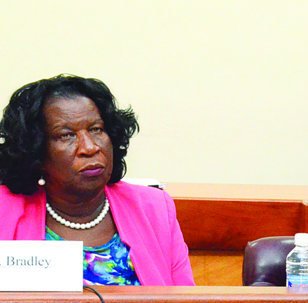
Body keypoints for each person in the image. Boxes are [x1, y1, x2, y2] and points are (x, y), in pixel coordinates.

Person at [0, 75, 194, 286]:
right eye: (66, 135)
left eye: (96, 130)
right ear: (36, 151)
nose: (90, 147)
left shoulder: (154, 209)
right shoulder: (5, 212)